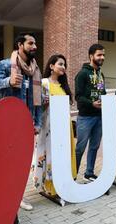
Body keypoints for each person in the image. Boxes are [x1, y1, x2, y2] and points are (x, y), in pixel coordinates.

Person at [0, 32, 42, 211]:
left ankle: (18, 196)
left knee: (22, 164)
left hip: (28, 125)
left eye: (35, 44)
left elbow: (37, 101)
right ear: (20, 44)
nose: (34, 47)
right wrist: (8, 81)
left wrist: (37, 122)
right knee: (6, 162)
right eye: (30, 43)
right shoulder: (5, 65)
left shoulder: (35, 69)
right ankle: (2, 196)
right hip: (9, 125)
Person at [33, 54, 77, 198]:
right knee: (50, 154)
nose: (63, 67)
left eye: (64, 65)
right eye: (60, 64)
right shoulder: (44, 83)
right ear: (51, 66)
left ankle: (64, 184)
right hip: (49, 126)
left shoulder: (64, 85)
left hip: (65, 126)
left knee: (63, 154)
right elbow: (38, 105)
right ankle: (50, 186)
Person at [74, 43, 106, 182]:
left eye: (103, 55)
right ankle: (73, 174)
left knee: (94, 146)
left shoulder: (101, 74)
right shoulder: (82, 74)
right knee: (80, 147)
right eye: (99, 55)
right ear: (91, 56)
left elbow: (102, 92)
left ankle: (89, 173)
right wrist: (92, 103)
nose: (102, 57)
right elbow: (78, 96)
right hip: (85, 117)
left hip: (100, 117)